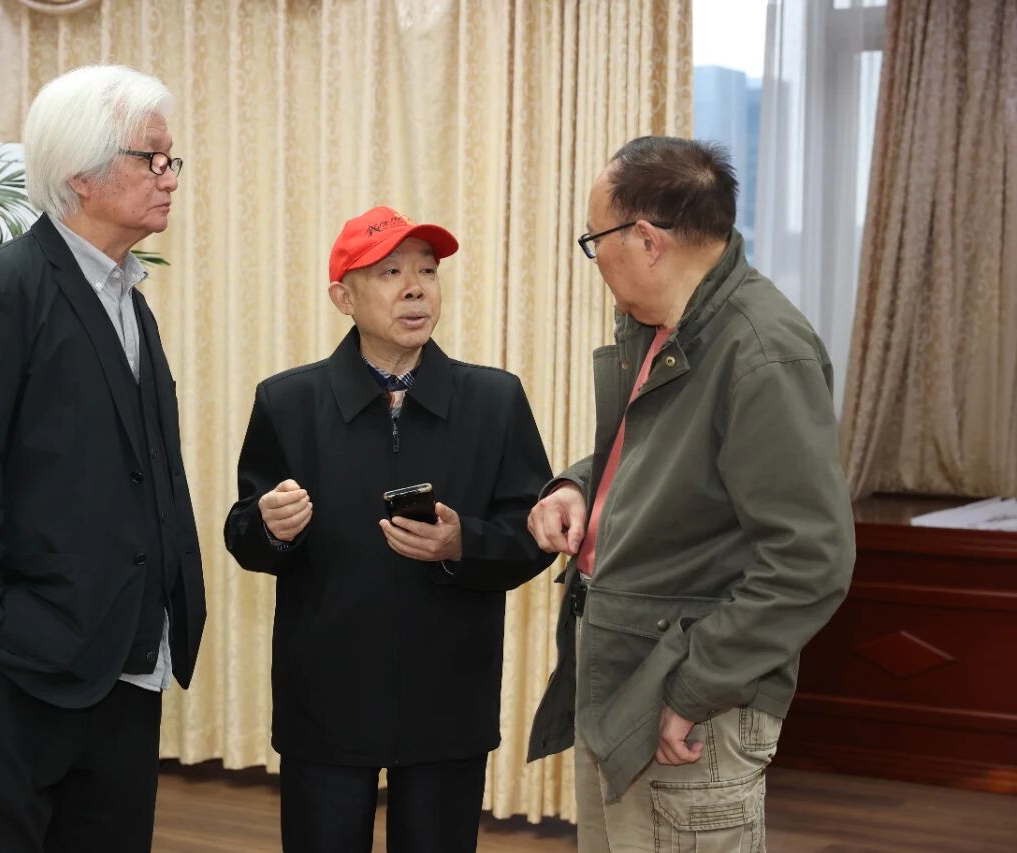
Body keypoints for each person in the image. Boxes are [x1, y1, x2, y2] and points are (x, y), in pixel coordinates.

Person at [526, 137, 855, 852]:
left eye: (595, 240)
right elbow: (662, 459)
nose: (595, 259)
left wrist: (694, 687)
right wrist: (579, 486)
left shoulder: (761, 350)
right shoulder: (663, 325)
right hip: (621, 670)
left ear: (646, 240)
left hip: (686, 698)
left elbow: (810, 561)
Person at [0, 64, 206, 852]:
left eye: (171, 158)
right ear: (80, 173)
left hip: (127, 663)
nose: (170, 176)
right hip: (18, 664)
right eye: (151, 158)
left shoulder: (132, 303)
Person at [224, 206, 555, 852]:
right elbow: (243, 533)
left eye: (427, 272)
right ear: (343, 298)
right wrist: (270, 526)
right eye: (390, 273)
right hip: (327, 699)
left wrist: (464, 543)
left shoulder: (495, 400)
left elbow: (534, 532)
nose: (415, 289)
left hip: (447, 699)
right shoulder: (287, 402)